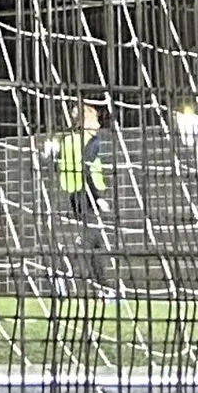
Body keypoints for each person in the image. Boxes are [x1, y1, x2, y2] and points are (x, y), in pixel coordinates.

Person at [53, 100, 115, 288]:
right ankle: (63, 272)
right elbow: (86, 169)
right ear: (86, 122)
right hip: (87, 195)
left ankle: (104, 287)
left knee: (96, 243)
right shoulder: (91, 141)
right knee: (89, 240)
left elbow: (58, 166)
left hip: (74, 195)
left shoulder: (67, 140)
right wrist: (98, 198)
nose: (98, 125)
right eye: (95, 120)